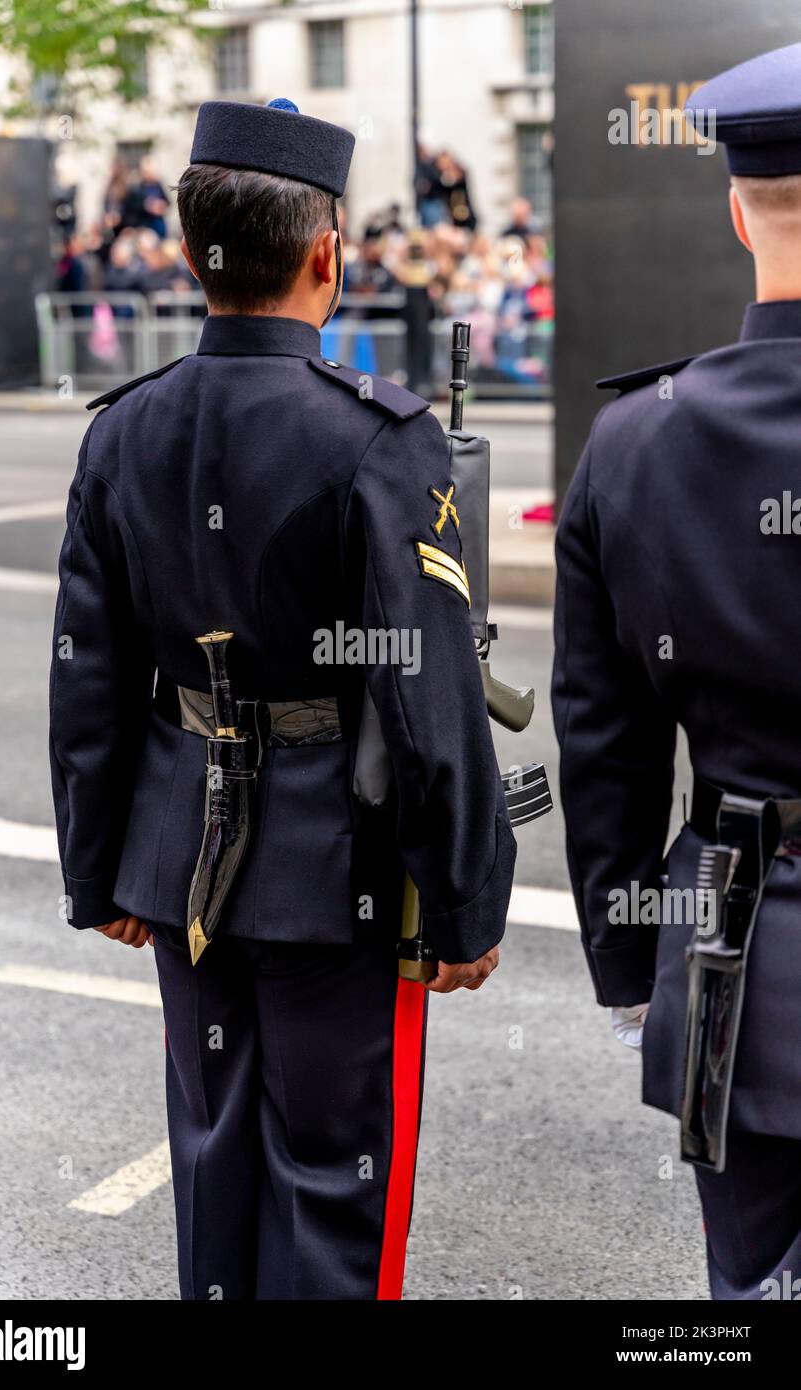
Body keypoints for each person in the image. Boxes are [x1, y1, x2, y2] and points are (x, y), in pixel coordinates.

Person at [49, 96, 515, 1302]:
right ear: (327, 254)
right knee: (334, 1195)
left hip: (181, 870)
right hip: (338, 873)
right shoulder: (375, 438)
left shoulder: (122, 431)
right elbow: (429, 699)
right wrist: (463, 900)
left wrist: (98, 870)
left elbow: (89, 678)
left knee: (214, 1168)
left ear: (191, 249)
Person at [552, 42, 801, 1302]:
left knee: (749, 1288)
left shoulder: (635, 442)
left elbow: (604, 742)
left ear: (733, 207)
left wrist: (621, 963)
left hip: (729, 945)